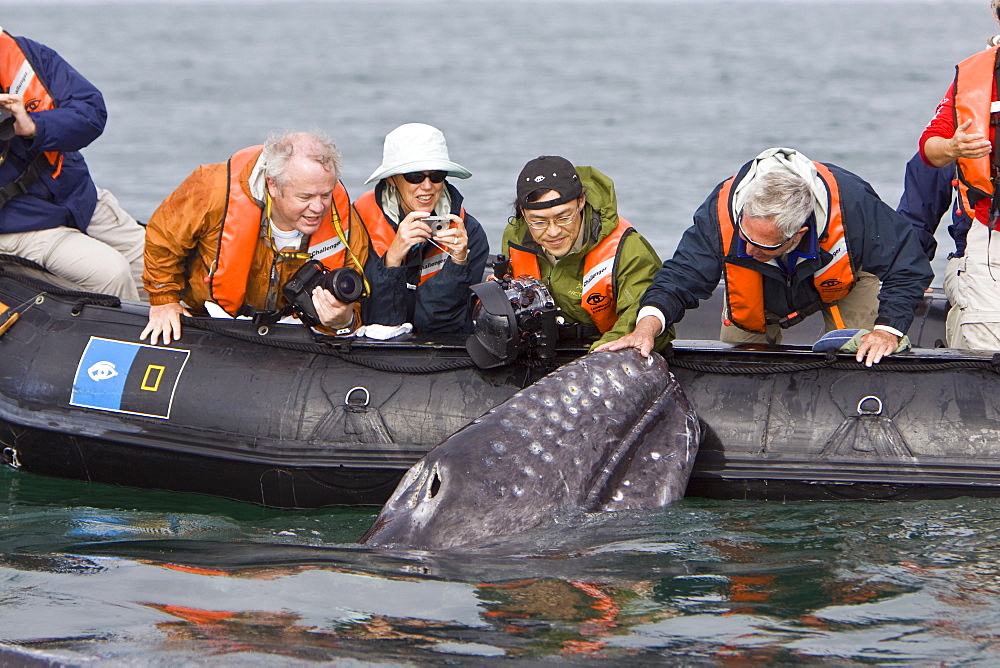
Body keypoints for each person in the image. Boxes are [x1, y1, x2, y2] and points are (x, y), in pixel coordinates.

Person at [595, 147, 934, 366]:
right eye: (745, 237)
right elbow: (681, 277)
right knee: (740, 362)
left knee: (867, 353)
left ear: (799, 233)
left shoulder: (853, 204)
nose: (750, 251)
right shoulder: (721, 215)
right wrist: (646, 327)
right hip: (756, 292)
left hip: (842, 281)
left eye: (764, 247)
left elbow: (908, 266)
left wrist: (888, 330)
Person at [141, 130, 369, 345]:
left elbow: (355, 304)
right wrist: (164, 300)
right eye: (305, 196)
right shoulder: (212, 189)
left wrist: (342, 321)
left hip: (290, 334)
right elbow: (163, 240)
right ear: (272, 184)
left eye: (326, 195)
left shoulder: (345, 224)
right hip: (207, 316)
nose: (318, 207)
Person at [0, 27, 144, 300]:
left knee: (161, 270)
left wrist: (34, 125)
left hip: (79, 199)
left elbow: (91, 111)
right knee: (111, 274)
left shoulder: (28, 55)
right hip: (17, 225)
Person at [501, 155, 668, 351]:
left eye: (563, 217)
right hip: (542, 350)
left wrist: (595, 357)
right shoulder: (515, 236)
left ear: (581, 201)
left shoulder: (628, 248)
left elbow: (642, 317)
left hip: (608, 352)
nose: (553, 232)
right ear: (522, 212)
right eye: (538, 221)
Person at [916, 2, 1000, 349]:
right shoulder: (974, 77)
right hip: (991, 230)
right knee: (985, 341)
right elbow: (929, 146)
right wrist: (953, 147)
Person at [355, 123, 488, 334]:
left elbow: (441, 325)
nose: (427, 186)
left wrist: (458, 263)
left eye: (436, 175)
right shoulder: (358, 225)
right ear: (392, 179)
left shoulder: (470, 233)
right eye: (415, 176)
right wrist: (392, 259)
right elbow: (376, 320)